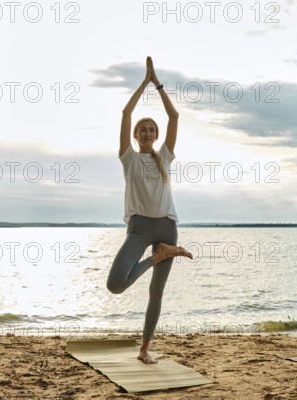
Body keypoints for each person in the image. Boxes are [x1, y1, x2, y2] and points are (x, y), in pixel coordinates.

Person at [107, 56, 192, 364]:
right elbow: (126, 112)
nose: (145, 133)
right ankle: (158, 256)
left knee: (156, 292)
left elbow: (175, 115)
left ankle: (144, 349)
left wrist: (158, 83)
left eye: (150, 130)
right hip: (140, 228)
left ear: (156, 136)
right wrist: (143, 82)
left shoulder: (165, 157)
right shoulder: (127, 157)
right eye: (141, 130)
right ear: (135, 135)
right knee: (115, 284)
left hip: (167, 227)